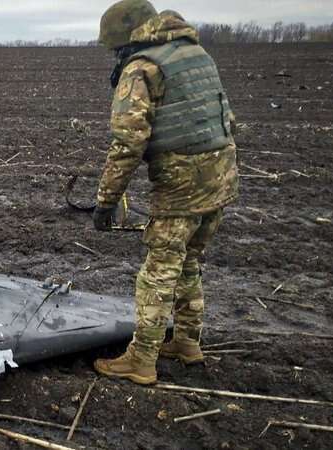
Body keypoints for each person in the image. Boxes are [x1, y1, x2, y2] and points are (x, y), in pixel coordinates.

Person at [91, 0, 240, 385]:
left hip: (181, 189)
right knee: (189, 262)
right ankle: (187, 343)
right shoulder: (195, 53)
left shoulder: (142, 68)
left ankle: (140, 361)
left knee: (157, 274)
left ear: (125, 39)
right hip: (221, 178)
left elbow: (127, 144)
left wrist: (106, 202)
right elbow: (227, 119)